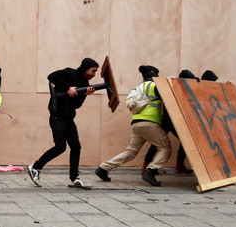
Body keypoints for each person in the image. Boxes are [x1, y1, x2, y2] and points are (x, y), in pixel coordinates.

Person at [26, 57, 98, 189]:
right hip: (57, 116)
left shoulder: (85, 83)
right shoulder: (69, 73)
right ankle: (35, 167)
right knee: (60, 146)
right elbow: (51, 76)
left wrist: (84, 94)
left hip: (69, 118)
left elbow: (76, 105)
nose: (94, 75)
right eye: (93, 71)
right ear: (86, 67)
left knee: (76, 147)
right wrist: (67, 88)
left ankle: (74, 178)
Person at [95, 65, 171, 187]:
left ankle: (103, 168)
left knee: (131, 151)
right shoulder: (154, 86)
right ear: (155, 76)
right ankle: (151, 171)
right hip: (150, 122)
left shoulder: (137, 88)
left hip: (136, 123)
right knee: (165, 148)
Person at [140, 69, 198, 175]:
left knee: (158, 143)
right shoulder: (176, 86)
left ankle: (146, 165)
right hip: (171, 120)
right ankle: (177, 165)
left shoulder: (178, 87)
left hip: (168, 119)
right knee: (184, 141)